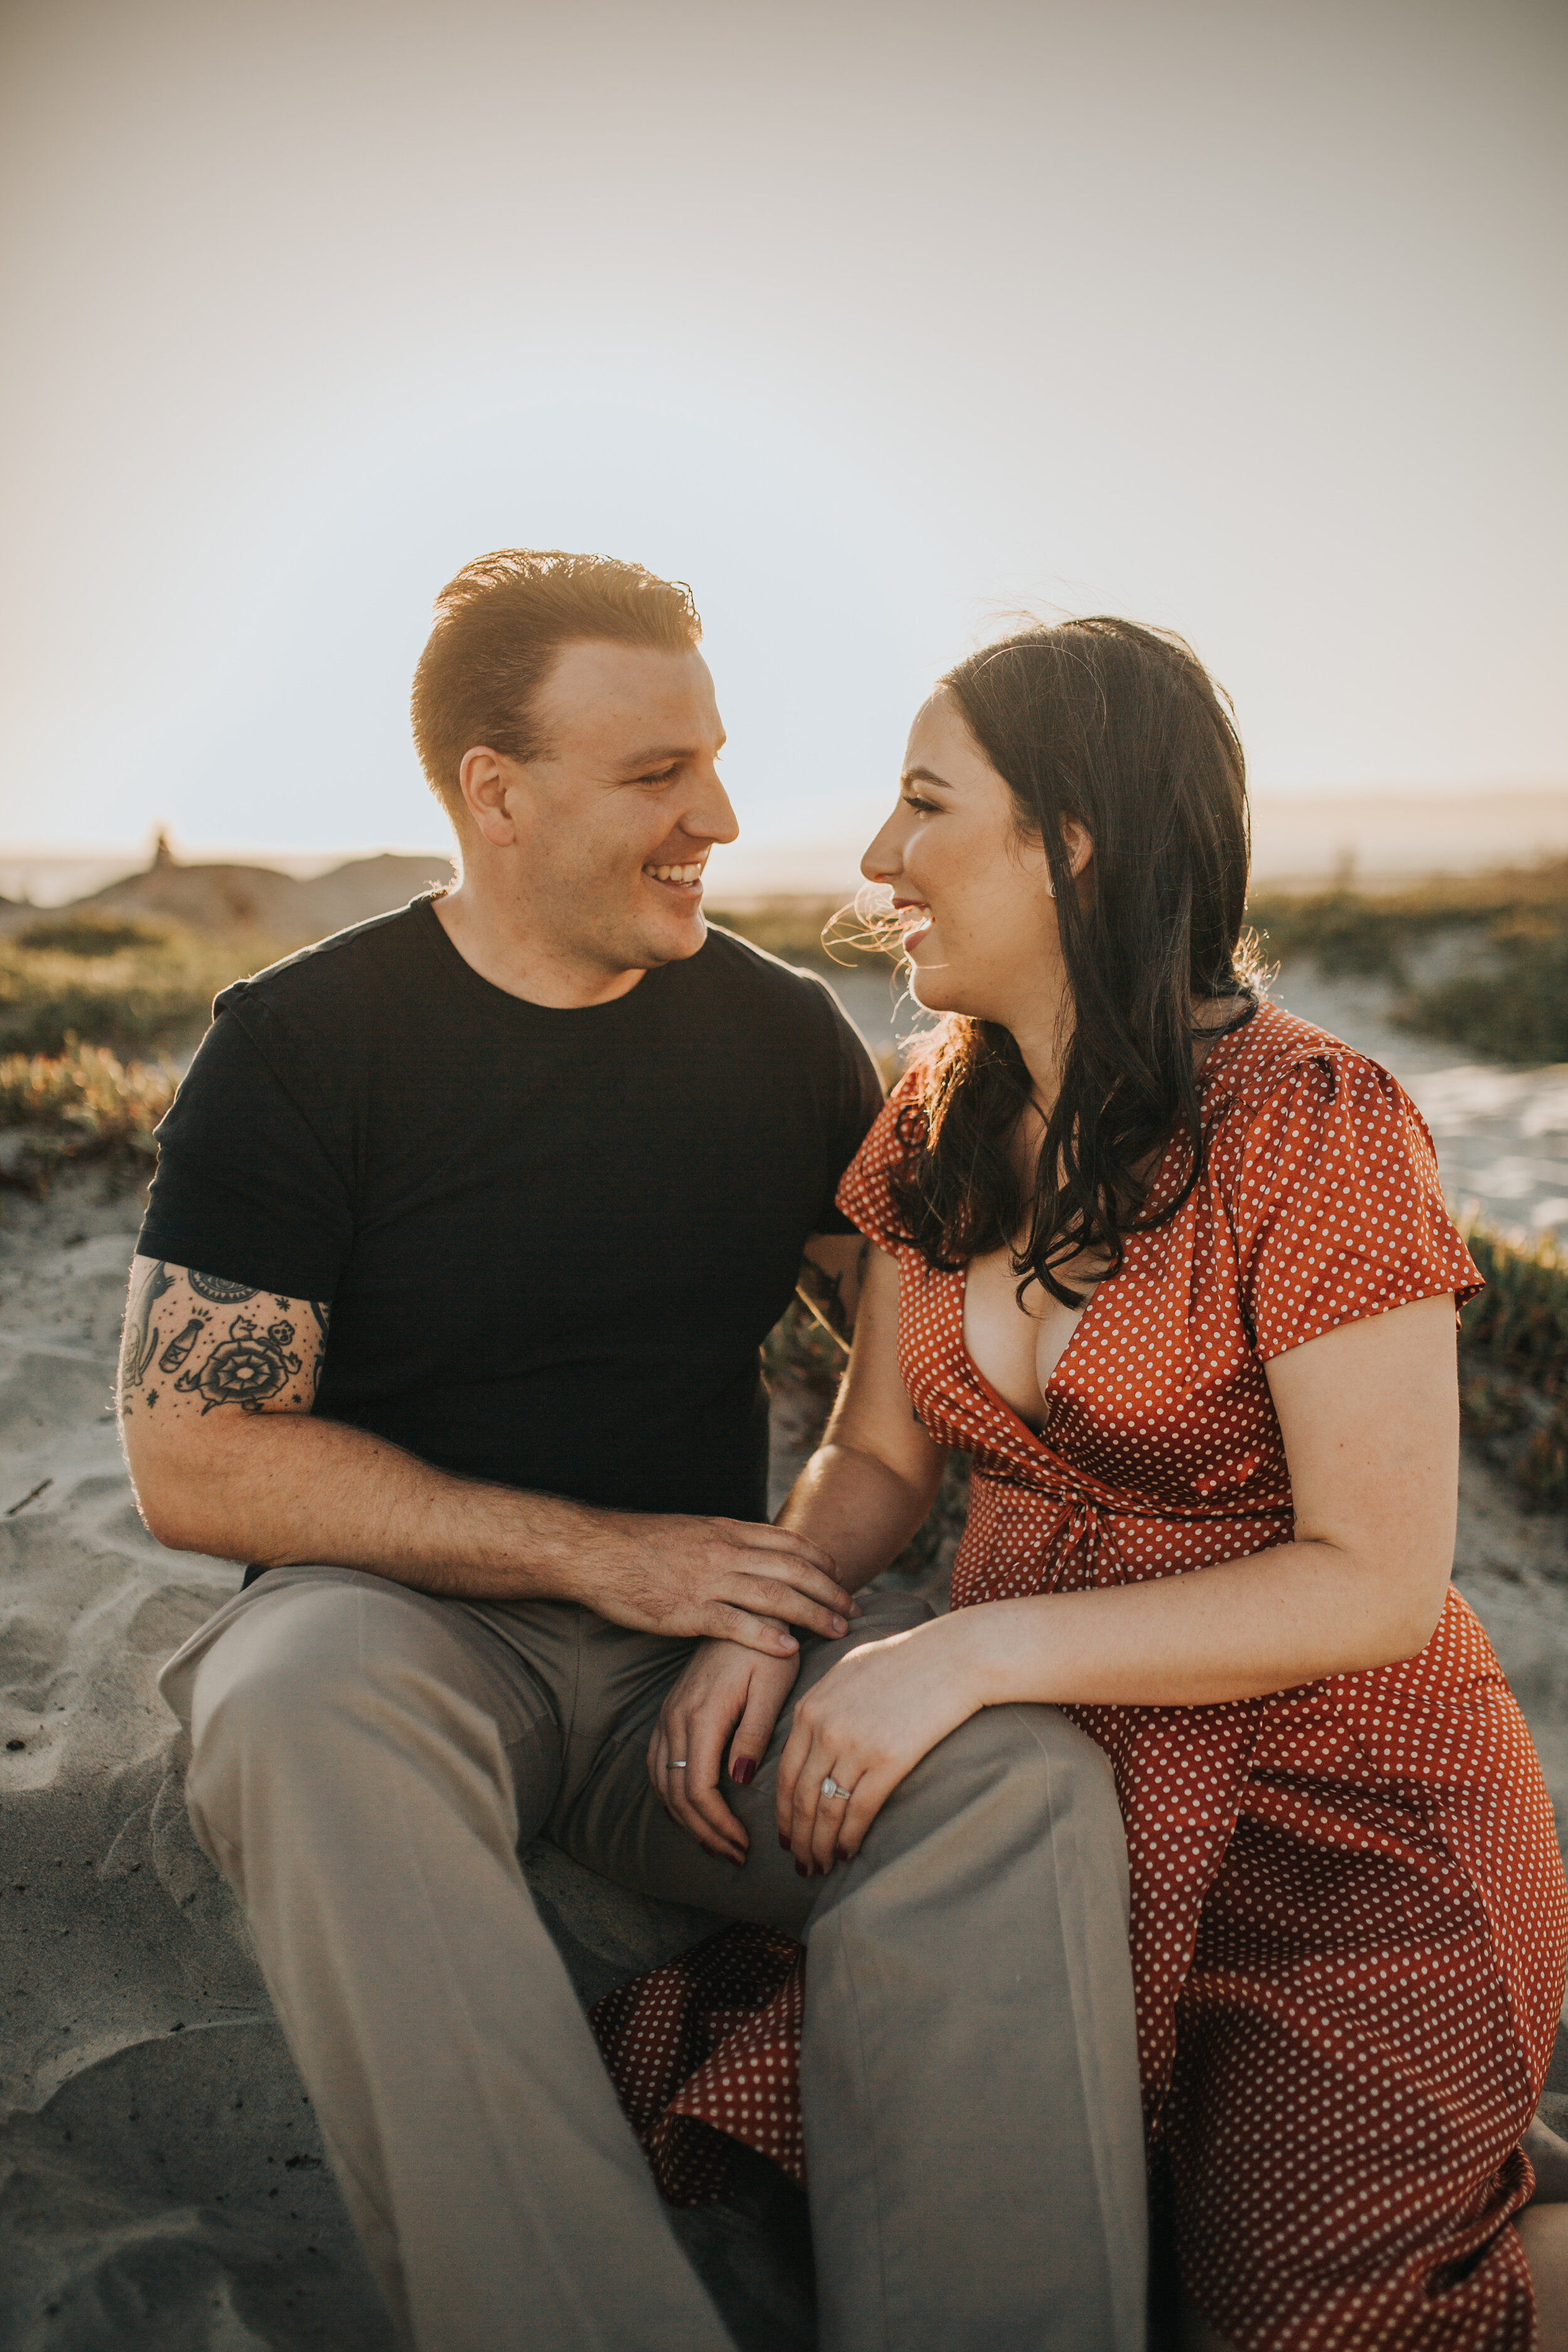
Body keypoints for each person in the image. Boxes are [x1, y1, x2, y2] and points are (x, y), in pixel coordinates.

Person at [120, 550, 1150, 2352]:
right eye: (655, 774)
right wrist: (601, 1553)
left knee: (1018, 1781)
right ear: (493, 794)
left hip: (704, 1664)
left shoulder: (777, 1042)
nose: (720, 818)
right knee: (283, 1695)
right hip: (405, 1641)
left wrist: (782, 1609)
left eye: (716, 760)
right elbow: (197, 1455)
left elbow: (920, 1396)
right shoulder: (298, 1050)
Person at [645, 617, 1568, 2350]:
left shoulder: (1316, 1125)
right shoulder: (933, 1111)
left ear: (1073, 837)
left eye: (926, 805)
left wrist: (962, 1655)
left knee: (1308, 2318)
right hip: (1048, 1808)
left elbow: (1373, 1576)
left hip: (1337, 1825)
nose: (872, 859)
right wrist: (767, 1615)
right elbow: (875, 1449)